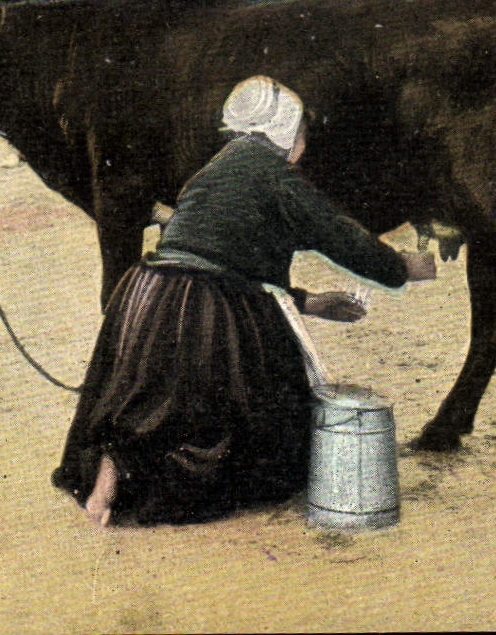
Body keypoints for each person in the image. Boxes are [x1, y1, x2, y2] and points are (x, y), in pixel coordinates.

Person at [52, 77, 436, 526]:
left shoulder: (212, 171)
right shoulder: (278, 178)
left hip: (144, 295)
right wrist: (403, 267)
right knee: (259, 433)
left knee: (151, 400)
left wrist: (309, 302)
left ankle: (113, 467)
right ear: (287, 132)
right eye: (302, 135)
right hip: (202, 306)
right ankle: (133, 471)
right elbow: (342, 238)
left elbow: (232, 258)